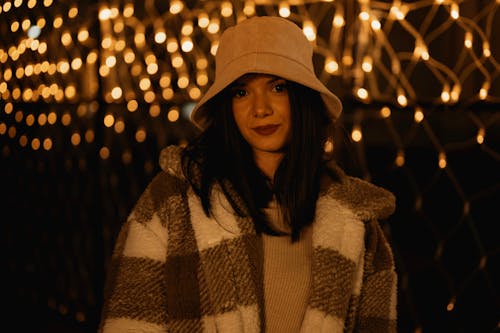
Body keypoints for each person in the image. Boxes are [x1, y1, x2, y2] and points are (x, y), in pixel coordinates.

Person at [99, 15, 397, 333]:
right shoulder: (173, 202)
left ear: (303, 99)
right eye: (241, 93)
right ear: (226, 107)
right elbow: (128, 320)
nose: (260, 108)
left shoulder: (354, 219)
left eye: (278, 87)